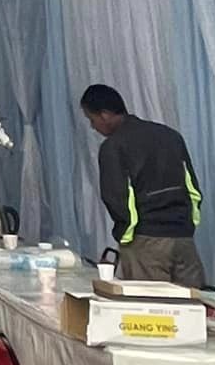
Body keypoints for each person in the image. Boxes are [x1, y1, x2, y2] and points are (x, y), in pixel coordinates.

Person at [79, 84, 205, 288]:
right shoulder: (171, 136)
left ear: (105, 115)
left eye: (92, 119)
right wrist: (187, 225)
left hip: (146, 242)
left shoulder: (114, 146)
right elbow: (193, 189)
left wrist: (127, 235)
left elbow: (116, 198)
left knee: (149, 305)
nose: (93, 127)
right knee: (190, 304)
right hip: (183, 239)